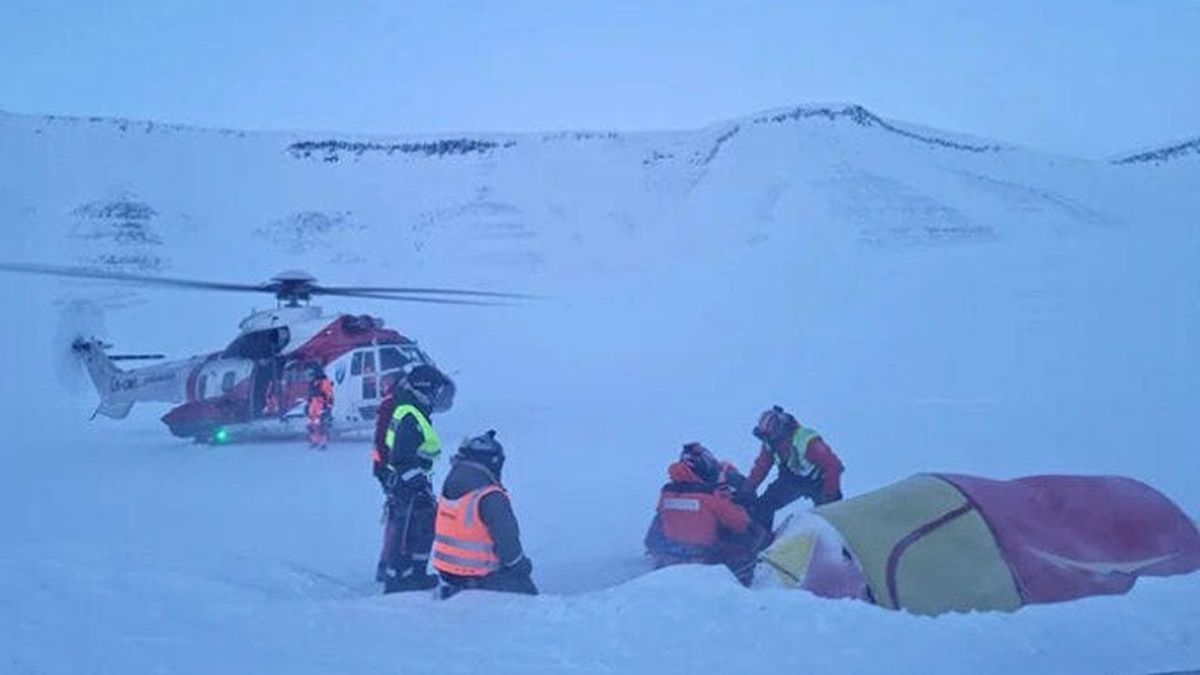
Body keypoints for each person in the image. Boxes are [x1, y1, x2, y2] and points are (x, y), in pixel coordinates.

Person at [433, 430, 537, 599]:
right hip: (477, 577)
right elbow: (508, 547)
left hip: (447, 574)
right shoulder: (490, 496)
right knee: (527, 590)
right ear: (492, 462)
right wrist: (522, 566)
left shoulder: (451, 484)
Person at [373, 365, 449, 592]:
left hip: (409, 482)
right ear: (425, 388)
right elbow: (402, 458)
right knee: (411, 528)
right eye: (435, 390)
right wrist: (417, 483)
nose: (437, 395)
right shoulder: (410, 414)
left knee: (415, 527)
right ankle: (401, 577)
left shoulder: (412, 409)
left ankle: (412, 573)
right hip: (408, 484)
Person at [645, 443, 765, 585]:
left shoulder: (666, 494)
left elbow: (657, 526)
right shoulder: (709, 497)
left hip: (671, 554)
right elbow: (741, 523)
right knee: (750, 540)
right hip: (705, 555)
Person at [746, 405, 845, 530]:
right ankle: (762, 540)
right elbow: (761, 466)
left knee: (831, 516)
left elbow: (833, 467)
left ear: (781, 427)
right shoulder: (770, 442)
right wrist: (748, 488)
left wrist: (830, 493)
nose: (771, 439)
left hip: (820, 481)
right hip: (792, 479)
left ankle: (841, 535)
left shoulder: (807, 441)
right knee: (763, 506)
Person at [306, 365, 334, 449]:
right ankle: (315, 441)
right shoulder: (313, 382)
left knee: (320, 424)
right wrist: (308, 404)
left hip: (321, 404)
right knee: (311, 424)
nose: (310, 375)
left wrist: (328, 407)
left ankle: (323, 443)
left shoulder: (324, 381)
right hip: (313, 405)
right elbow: (310, 394)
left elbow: (329, 394)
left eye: (311, 373)